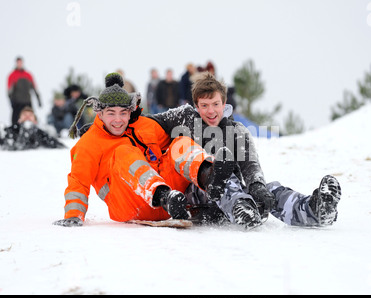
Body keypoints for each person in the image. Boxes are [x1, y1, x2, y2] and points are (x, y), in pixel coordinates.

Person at [148, 72, 341, 228]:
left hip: (231, 197)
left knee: (269, 189)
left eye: (216, 104)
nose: (211, 111)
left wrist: (257, 186)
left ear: (224, 104)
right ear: (196, 106)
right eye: (204, 105)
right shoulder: (184, 118)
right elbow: (148, 122)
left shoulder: (236, 131)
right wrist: (122, 114)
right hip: (193, 194)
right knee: (220, 174)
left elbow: (250, 164)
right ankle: (242, 208)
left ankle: (315, 210)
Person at [53, 73, 235, 227]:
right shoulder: (89, 142)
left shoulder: (145, 125)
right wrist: (73, 215)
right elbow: (78, 181)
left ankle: (210, 177)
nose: (118, 120)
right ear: (100, 113)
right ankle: (164, 196)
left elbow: (176, 154)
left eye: (123, 113)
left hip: (173, 202)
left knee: (180, 142)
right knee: (124, 152)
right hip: (130, 203)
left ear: (130, 111)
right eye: (111, 113)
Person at [1, 107, 65, 151]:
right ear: (19, 120)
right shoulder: (12, 130)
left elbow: (56, 144)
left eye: (30, 115)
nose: (27, 116)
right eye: (24, 115)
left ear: (35, 121)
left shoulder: (40, 133)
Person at [7, 57, 41, 124]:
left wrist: (38, 99)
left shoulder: (28, 75)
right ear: (16, 63)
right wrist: (11, 101)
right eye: (18, 63)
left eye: (21, 62)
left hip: (27, 101)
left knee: (31, 118)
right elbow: (9, 91)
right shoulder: (12, 75)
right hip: (17, 102)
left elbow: (34, 88)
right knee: (15, 121)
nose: (19, 64)